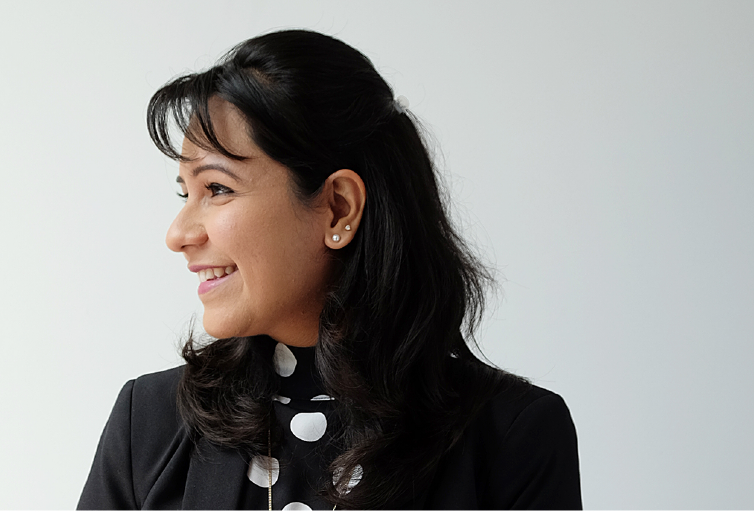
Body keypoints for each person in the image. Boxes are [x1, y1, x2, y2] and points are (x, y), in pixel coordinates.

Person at [78, 29, 581, 510]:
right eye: (185, 193)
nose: (178, 234)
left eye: (218, 189)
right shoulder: (147, 421)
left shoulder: (513, 436)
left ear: (339, 208)